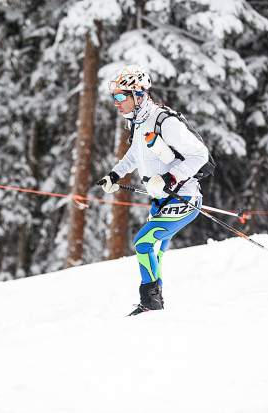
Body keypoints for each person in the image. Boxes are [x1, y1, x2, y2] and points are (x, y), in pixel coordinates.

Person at [97, 65, 209, 316]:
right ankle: (155, 305)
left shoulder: (165, 122)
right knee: (155, 249)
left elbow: (200, 154)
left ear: (138, 95)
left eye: (120, 96)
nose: (116, 102)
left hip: (184, 198)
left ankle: (150, 302)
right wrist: (114, 174)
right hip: (161, 199)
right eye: (114, 97)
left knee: (143, 243)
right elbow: (134, 155)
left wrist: (170, 177)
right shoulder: (138, 122)